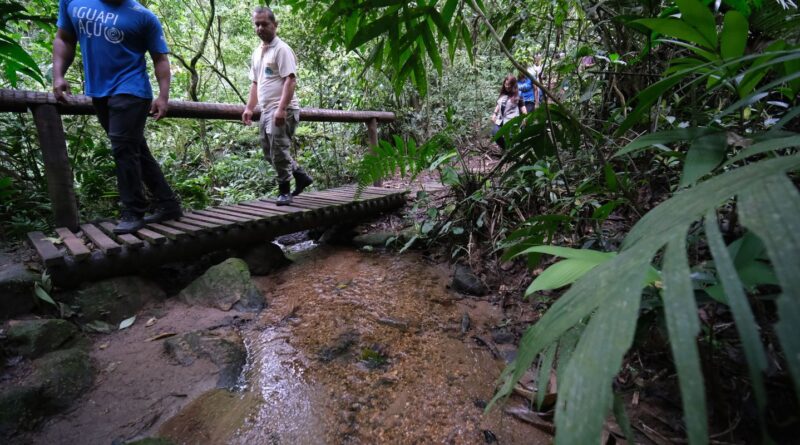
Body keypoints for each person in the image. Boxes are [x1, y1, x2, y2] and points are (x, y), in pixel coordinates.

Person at [54, 0, 182, 234]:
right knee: (134, 149)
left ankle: (133, 211)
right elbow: (64, 38)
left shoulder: (143, 17)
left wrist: (163, 97)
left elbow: (160, 59)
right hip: (99, 91)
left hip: (132, 89)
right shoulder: (72, 2)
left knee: (123, 149)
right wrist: (58, 75)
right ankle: (168, 203)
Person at [242, 6, 312, 206]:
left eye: (264, 24)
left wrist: (282, 108)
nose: (260, 28)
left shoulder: (281, 49)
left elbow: (290, 80)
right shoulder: (257, 52)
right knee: (268, 152)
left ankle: (285, 191)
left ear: (275, 25)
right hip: (265, 110)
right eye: (257, 24)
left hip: (283, 109)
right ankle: (300, 175)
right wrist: (249, 108)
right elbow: (255, 83)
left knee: (279, 150)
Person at [490, 75, 526, 150]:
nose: (506, 86)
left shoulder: (518, 95)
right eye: (505, 84)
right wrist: (494, 114)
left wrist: (525, 119)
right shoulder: (503, 94)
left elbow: (523, 108)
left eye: (509, 85)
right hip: (500, 120)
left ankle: (511, 152)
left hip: (511, 122)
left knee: (510, 138)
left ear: (513, 85)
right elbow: (498, 104)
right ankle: (506, 149)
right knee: (495, 133)